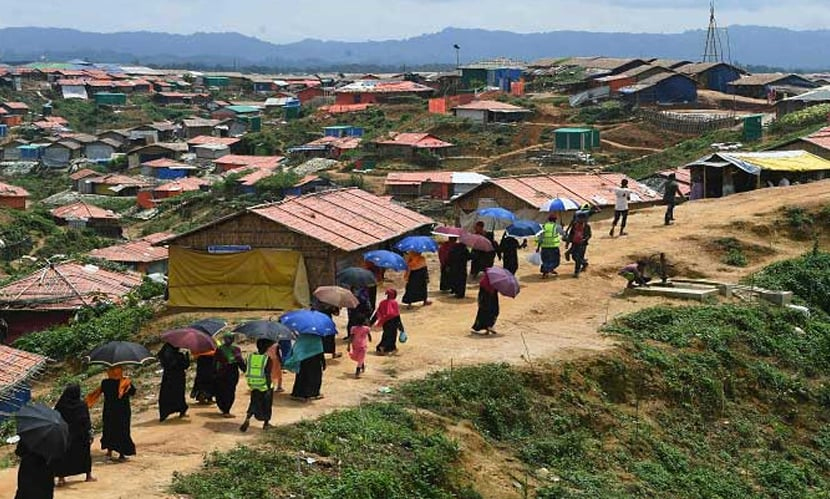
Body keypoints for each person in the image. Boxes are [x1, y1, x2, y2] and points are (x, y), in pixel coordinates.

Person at [86, 367, 136, 462]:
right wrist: (128, 382)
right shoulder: (125, 382)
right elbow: (133, 392)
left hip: (109, 410)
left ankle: (109, 452)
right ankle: (121, 454)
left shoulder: (105, 383)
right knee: (122, 430)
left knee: (109, 429)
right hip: (123, 411)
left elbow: (98, 393)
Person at [53, 384, 95, 487]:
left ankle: (61, 478)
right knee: (84, 455)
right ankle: (88, 476)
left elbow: (55, 419)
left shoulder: (60, 405)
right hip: (81, 435)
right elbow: (86, 420)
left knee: (64, 456)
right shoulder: (82, 405)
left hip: (65, 435)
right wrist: (90, 433)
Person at [240, 339, 274, 432]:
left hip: (253, 384)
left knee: (254, 402)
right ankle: (266, 424)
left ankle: (247, 418)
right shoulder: (267, 359)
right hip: (264, 385)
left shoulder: (250, 357)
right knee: (267, 404)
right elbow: (267, 374)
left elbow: (247, 368)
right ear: (267, 348)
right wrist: (268, 386)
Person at [284, 334, 326, 401]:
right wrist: (323, 362)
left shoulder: (301, 337)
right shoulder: (317, 338)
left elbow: (296, 349)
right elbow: (320, 351)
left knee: (301, 377)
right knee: (315, 378)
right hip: (315, 361)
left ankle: (298, 394)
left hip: (303, 361)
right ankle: (313, 394)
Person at [214, 333, 246, 417]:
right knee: (229, 391)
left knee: (224, 391)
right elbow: (240, 361)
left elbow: (214, 362)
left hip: (223, 372)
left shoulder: (220, 349)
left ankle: (224, 409)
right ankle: (226, 410)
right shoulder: (235, 349)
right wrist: (246, 370)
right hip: (229, 372)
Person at [157, 343, 189, 422]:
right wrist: (187, 356)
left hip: (167, 378)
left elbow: (164, 363)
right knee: (179, 395)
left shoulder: (163, 356)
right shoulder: (179, 356)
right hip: (178, 378)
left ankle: (164, 414)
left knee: (166, 395)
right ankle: (182, 410)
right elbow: (186, 365)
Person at [373, 288, 405, 354]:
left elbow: (377, 313)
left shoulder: (382, 302)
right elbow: (397, 315)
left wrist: (371, 321)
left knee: (386, 334)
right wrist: (401, 326)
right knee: (392, 335)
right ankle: (382, 347)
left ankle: (390, 348)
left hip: (385, 322)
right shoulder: (394, 303)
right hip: (393, 322)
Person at [472, 270, 499, 335]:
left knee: (484, 312)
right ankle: (489, 326)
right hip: (490, 299)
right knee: (493, 311)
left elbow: (481, 293)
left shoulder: (484, 282)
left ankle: (487, 327)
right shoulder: (493, 282)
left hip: (485, 300)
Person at [566, 213, 592, 278]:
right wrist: (567, 243)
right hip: (574, 243)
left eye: (581, 219)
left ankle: (576, 272)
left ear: (584, 219)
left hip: (582, 245)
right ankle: (584, 263)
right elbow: (571, 234)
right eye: (579, 219)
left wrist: (584, 239)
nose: (579, 220)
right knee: (574, 257)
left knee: (578, 258)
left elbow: (589, 235)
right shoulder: (575, 225)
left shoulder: (587, 226)